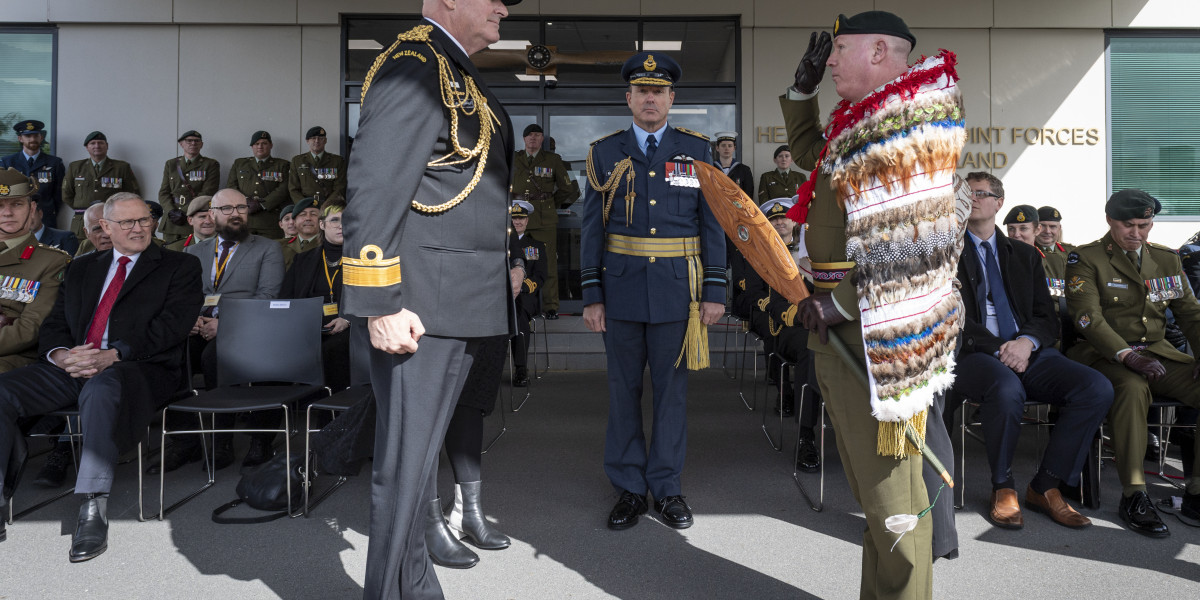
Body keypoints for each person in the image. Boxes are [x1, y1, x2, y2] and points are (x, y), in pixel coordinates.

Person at [781, 11, 966, 595]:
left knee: (893, 499)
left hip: (874, 329)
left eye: (839, 51)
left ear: (881, 51)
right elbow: (818, 157)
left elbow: (915, 241)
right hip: (844, 322)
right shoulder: (868, 120)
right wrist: (801, 93)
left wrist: (841, 305)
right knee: (873, 489)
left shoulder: (908, 122)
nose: (829, 61)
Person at [340, 0, 520, 597]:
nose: (500, 6)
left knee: (416, 474)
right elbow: (375, 185)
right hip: (420, 305)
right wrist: (379, 302)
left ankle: (414, 589)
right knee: (405, 470)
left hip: (457, 300)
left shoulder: (452, 66)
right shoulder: (416, 63)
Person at [0, 192, 203, 558]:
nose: (138, 228)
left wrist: (113, 354)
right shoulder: (81, 268)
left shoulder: (179, 266)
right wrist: (62, 356)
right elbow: (56, 323)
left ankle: (93, 502)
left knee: (102, 387)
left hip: (139, 367)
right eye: (126, 222)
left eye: (143, 220)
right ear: (105, 227)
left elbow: (170, 328)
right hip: (75, 364)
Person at [581, 51, 726, 532]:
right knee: (623, 392)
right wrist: (592, 294)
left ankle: (666, 487)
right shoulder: (605, 152)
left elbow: (714, 226)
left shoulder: (697, 150)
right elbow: (590, 230)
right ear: (628, 98)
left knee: (671, 395)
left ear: (671, 98)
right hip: (620, 293)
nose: (650, 98)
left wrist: (715, 289)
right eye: (641, 91)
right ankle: (627, 488)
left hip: (678, 293)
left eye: (658, 91)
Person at [952, 173, 1112, 531]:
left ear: (998, 202)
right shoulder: (945, 251)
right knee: (1007, 389)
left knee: (1094, 387)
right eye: (967, 193)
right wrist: (1002, 350)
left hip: (1028, 350)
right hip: (975, 353)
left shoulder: (1025, 255)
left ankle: (1046, 485)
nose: (973, 198)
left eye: (981, 193)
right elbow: (951, 318)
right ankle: (1003, 485)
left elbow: (1045, 316)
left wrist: (1025, 344)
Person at [1065, 188, 1200, 536]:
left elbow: (1190, 315)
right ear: (1110, 220)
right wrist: (1126, 355)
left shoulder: (1167, 260)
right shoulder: (1086, 258)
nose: (1136, 233)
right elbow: (1087, 318)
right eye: (1128, 225)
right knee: (1132, 387)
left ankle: (1196, 493)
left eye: (1144, 224)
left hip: (1158, 352)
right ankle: (1134, 493)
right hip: (1103, 354)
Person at [150, 188, 285, 475]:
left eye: (241, 207)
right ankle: (185, 441)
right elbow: (185, 296)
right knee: (171, 355)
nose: (236, 213)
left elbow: (268, 297)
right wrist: (192, 318)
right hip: (200, 325)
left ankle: (221, 441)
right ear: (212, 214)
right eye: (227, 209)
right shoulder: (193, 251)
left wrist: (225, 321)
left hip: (246, 327)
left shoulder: (267, 248)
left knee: (215, 357)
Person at [737, 197, 821, 471]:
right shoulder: (760, 254)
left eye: (784, 217)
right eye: (773, 219)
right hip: (788, 326)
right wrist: (787, 312)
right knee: (812, 351)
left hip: (826, 320)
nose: (780, 222)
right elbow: (753, 294)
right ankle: (806, 436)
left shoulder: (813, 249)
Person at [0, 168, 71, 374]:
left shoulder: (53, 262)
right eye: (0, 205)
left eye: (17, 204)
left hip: (12, 360)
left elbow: (30, 329)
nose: (7, 212)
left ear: (32, 209)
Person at [280, 199, 351, 391]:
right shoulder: (303, 260)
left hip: (347, 328)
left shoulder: (363, 259)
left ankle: (327, 414)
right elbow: (285, 299)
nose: (341, 226)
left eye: (348, 220)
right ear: (322, 224)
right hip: (307, 328)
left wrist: (348, 319)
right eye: (335, 220)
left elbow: (371, 298)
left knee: (331, 350)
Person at [510, 123, 577, 319]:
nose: (533, 138)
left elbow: (569, 189)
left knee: (547, 264)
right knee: (514, 260)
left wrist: (548, 204)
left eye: (537, 135)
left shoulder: (553, 160)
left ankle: (550, 307)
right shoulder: (514, 158)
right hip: (517, 218)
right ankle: (514, 302)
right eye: (529, 135)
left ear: (542, 140)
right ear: (524, 139)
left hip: (544, 221)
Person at [62, 132, 140, 240]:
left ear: (107, 146)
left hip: (113, 221)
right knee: (81, 253)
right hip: (82, 222)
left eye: (100, 143)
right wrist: (85, 209)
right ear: (87, 147)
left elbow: (131, 194)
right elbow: (66, 194)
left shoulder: (121, 167)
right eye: (92, 143)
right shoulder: (75, 167)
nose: (97, 146)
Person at [508, 200, 547, 387]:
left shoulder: (536, 246)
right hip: (502, 296)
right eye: (514, 218)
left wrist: (524, 287)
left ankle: (521, 368)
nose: (517, 221)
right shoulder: (502, 243)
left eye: (521, 218)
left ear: (527, 220)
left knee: (520, 313)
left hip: (525, 295)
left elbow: (540, 276)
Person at [158, 130, 220, 244]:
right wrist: (171, 211)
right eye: (189, 141)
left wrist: (186, 212)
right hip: (172, 220)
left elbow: (208, 192)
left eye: (197, 141)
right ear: (181, 144)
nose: (193, 143)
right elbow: (163, 192)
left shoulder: (210, 164)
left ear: (201, 144)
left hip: (193, 217)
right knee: (169, 253)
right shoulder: (171, 164)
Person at [0, 120, 65, 228]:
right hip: (15, 218)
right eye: (28, 136)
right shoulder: (7, 162)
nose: (33, 139)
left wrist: (49, 210)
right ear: (20, 139)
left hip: (45, 218)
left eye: (36, 136)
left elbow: (59, 194)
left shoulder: (55, 163)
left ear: (41, 138)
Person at [226, 131, 291, 239]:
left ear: (271, 145)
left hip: (270, 220)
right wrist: (245, 201)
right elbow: (231, 186)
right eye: (256, 144)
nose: (260, 146)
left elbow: (284, 189)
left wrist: (262, 204)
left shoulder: (283, 165)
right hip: (244, 218)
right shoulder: (240, 163)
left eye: (264, 143)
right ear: (252, 146)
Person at [288, 126, 347, 204]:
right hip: (305, 206)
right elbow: (293, 188)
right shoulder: (297, 161)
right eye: (313, 138)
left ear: (325, 141)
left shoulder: (337, 161)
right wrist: (304, 205)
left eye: (321, 138)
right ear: (307, 141)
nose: (317, 141)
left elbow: (340, 187)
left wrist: (327, 206)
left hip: (328, 206)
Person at [712, 131, 754, 200]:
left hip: (737, 208)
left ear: (734, 148)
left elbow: (748, 195)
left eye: (730, 146)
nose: (726, 148)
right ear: (717, 148)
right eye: (723, 145)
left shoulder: (744, 170)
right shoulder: (710, 168)